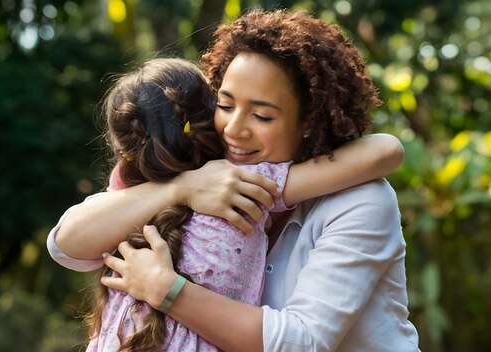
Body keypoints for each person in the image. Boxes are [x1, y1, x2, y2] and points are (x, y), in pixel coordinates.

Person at [48, 8, 419, 352]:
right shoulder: (205, 171)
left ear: (308, 122)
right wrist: (184, 188)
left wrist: (167, 290)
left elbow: (301, 341)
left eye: (262, 116)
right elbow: (67, 245)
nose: (234, 130)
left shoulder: (360, 202)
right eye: (225, 105)